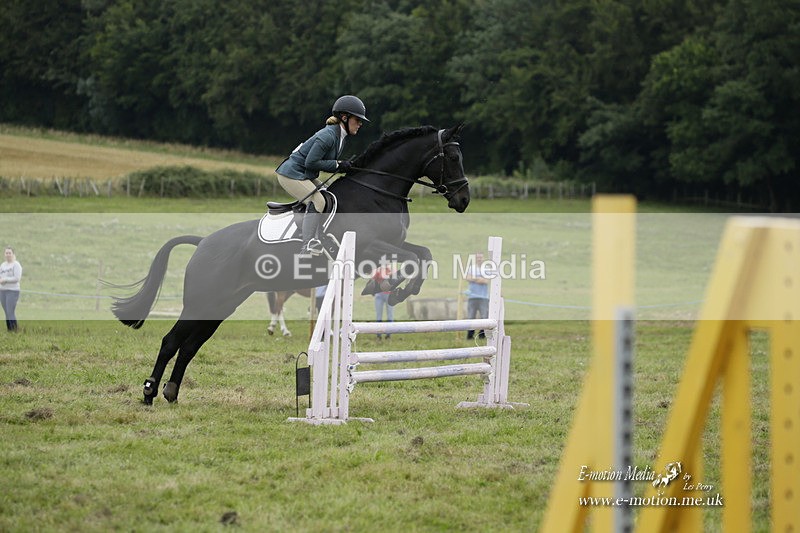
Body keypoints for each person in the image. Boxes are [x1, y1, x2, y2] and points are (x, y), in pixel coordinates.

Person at [275, 95, 369, 255]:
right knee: (318, 201)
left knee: (330, 195)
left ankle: (321, 234)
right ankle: (308, 244)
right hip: (291, 174)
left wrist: (345, 166)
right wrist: (338, 164)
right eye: (357, 119)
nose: (360, 123)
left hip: (303, 173)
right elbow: (311, 163)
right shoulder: (328, 136)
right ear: (344, 117)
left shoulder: (340, 136)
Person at [465, 252, 490, 340]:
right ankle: (470, 335)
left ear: (483, 258)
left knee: (484, 316)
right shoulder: (471, 268)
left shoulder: (486, 269)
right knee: (471, 316)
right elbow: (468, 278)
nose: (479, 259)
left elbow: (486, 281)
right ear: (475, 258)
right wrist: (478, 279)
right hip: (472, 296)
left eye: (481, 257)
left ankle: (482, 335)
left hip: (483, 297)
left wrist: (474, 279)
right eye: (478, 257)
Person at [0, 246, 22, 332]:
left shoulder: (16, 265)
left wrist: (5, 280)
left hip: (12, 291)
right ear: (4, 254)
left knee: (10, 311)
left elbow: (17, 278)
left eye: (10, 253)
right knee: (6, 311)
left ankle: (14, 330)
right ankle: (9, 330)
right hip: (2, 291)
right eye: (6, 253)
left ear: (13, 254)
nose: (8, 255)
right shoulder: (2, 265)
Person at [372, 265, 395, 340]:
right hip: (379, 294)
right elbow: (373, 280)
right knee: (379, 315)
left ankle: (389, 334)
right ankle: (379, 334)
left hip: (389, 295)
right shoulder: (378, 270)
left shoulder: (391, 270)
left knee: (390, 315)